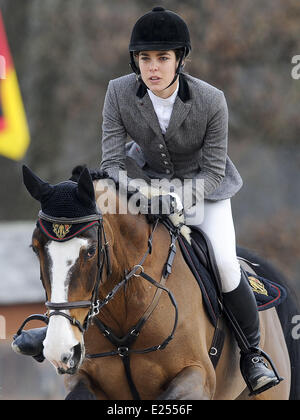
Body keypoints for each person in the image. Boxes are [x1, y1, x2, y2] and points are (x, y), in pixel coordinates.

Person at [100, 6, 280, 394]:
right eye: (145, 58)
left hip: (206, 193)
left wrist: (175, 198)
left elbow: (214, 171)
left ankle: (252, 355)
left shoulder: (211, 100)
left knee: (224, 264)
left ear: (180, 59)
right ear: (135, 60)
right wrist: (144, 195)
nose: (153, 68)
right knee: (108, 248)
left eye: (162, 58)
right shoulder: (118, 92)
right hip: (144, 190)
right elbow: (112, 164)